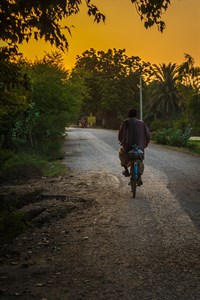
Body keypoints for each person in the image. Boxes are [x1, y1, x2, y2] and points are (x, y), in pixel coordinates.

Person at [118, 108, 150, 184]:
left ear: (128, 115)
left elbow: (120, 135)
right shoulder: (142, 123)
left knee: (121, 153)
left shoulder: (126, 122)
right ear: (136, 115)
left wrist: (121, 141)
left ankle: (126, 170)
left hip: (127, 148)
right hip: (140, 147)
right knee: (140, 159)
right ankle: (140, 177)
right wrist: (145, 144)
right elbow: (148, 136)